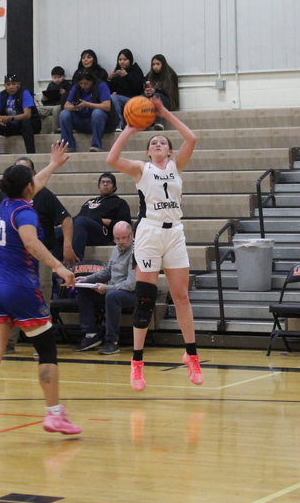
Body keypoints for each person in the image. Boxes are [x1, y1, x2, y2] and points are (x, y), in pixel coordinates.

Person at [0, 143, 81, 448]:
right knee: (47, 350)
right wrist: (58, 268)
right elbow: (31, 243)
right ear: (27, 188)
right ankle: (54, 413)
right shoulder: (25, 212)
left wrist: (52, 164)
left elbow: (33, 184)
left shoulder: (4, 202)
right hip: (20, 288)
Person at [107, 98, 202, 391]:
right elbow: (111, 159)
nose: (159, 144)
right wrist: (130, 128)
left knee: (181, 296)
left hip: (175, 234)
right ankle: (137, 363)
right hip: (149, 234)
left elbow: (192, 137)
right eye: (154, 142)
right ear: (148, 151)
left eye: (163, 142)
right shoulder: (141, 169)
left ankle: (191, 355)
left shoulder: (177, 165)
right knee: (145, 299)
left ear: (169, 150)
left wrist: (164, 114)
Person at [3, 156, 76, 354]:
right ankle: (8, 343)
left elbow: (65, 218)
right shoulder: (12, 204)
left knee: (40, 298)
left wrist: (67, 246)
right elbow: (27, 241)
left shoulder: (37, 197)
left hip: (38, 256)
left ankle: (41, 344)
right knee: (13, 298)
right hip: (17, 257)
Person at [73, 220, 137, 356]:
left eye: (124, 238)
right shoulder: (117, 248)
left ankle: (111, 342)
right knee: (85, 291)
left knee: (112, 296)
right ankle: (91, 334)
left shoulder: (137, 251)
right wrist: (87, 279)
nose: (120, 242)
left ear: (131, 235)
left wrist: (108, 288)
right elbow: (108, 271)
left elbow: (131, 284)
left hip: (133, 293)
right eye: (117, 239)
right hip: (114, 289)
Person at [53, 172, 131, 261]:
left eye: (108, 182)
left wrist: (104, 221)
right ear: (99, 186)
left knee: (81, 221)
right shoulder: (90, 201)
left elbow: (125, 224)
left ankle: (76, 260)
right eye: (102, 182)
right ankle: (57, 264)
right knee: (56, 232)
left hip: (102, 233)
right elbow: (79, 217)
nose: (105, 184)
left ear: (114, 187)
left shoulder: (120, 202)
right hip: (81, 229)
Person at [0, 74, 39, 154]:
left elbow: (27, 115)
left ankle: (31, 153)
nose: (11, 87)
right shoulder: (1, 95)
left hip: (25, 126)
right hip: (9, 126)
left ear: (18, 84)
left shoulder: (25, 93)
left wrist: (10, 118)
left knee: (26, 122)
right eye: (8, 84)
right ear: (4, 86)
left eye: (14, 84)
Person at [59, 71, 112, 152]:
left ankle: (96, 145)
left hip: (98, 121)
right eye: (81, 83)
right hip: (81, 120)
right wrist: (75, 107)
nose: (83, 86)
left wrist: (88, 105)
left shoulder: (101, 85)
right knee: (64, 114)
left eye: (86, 83)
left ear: (92, 81)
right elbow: (66, 106)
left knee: (97, 113)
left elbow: (107, 106)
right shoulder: (76, 88)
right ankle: (69, 145)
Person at [107, 49, 145, 133]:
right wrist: (109, 79)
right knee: (112, 97)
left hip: (133, 99)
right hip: (119, 99)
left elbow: (137, 89)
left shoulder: (136, 70)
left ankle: (122, 123)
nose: (122, 62)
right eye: (120, 60)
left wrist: (126, 77)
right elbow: (111, 90)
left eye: (125, 59)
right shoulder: (117, 71)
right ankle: (119, 124)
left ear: (130, 60)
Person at [144, 55, 179, 130]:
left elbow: (170, 92)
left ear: (163, 64)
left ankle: (159, 123)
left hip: (168, 101)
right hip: (152, 99)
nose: (155, 67)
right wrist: (146, 92)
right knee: (141, 98)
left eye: (158, 64)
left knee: (157, 96)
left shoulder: (171, 75)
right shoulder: (149, 75)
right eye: (153, 64)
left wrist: (155, 91)